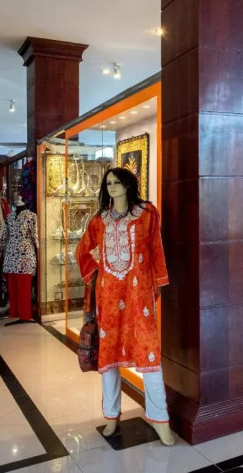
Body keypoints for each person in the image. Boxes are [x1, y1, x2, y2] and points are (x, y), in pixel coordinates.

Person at [75, 167, 174, 445]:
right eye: (108, 183)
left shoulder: (147, 213)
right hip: (108, 297)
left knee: (149, 352)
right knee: (109, 355)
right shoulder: (99, 221)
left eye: (117, 182)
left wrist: (157, 282)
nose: (112, 187)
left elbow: (156, 249)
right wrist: (98, 274)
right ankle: (111, 416)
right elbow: (82, 251)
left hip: (139, 294)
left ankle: (160, 419)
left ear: (128, 185)